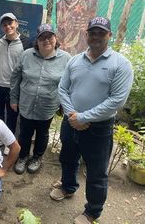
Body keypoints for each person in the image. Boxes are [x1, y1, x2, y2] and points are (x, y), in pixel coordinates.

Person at [50, 17, 133, 224]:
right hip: (71, 122)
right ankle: (68, 187)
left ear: (109, 35)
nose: (96, 36)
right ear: (86, 34)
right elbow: (63, 89)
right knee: (68, 159)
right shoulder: (75, 60)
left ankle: (92, 212)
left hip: (98, 129)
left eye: (101, 33)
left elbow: (117, 101)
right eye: (92, 32)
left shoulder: (120, 64)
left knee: (96, 172)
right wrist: (73, 116)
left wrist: (84, 117)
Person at [10, 24, 71, 174]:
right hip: (26, 103)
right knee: (24, 132)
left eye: (49, 37)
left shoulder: (66, 59)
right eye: (42, 38)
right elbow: (15, 78)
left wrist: (65, 104)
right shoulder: (26, 55)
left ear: (55, 39)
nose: (46, 40)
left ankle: (37, 157)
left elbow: (70, 83)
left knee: (43, 133)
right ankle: (23, 157)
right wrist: (13, 98)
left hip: (48, 106)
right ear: (36, 41)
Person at [0, 13, 24, 153]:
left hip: (14, 88)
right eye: (4, 25)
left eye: (10, 23)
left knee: (12, 117)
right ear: (1, 27)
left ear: (16, 23)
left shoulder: (26, 43)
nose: (8, 26)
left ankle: (10, 142)